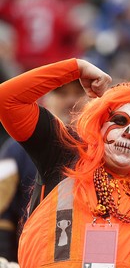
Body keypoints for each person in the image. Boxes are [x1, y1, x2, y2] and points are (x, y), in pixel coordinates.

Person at [0, 58, 130, 267]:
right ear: (100, 123)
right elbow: (7, 99)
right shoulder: (64, 153)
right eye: (119, 120)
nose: (129, 132)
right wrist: (76, 68)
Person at [0, 79, 86, 263]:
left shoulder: (106, 150)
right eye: (62, 94)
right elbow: (1, 211)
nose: (71, 100)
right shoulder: (15, 150)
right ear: (46, 100)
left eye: (78, 93)